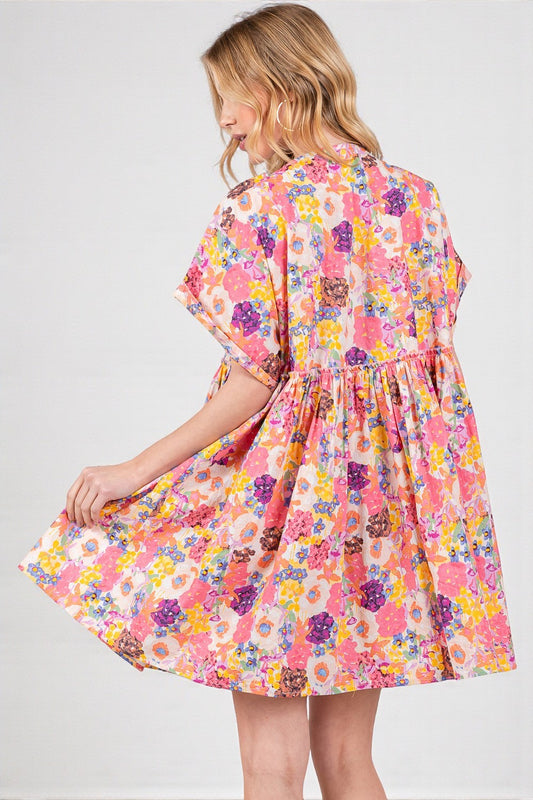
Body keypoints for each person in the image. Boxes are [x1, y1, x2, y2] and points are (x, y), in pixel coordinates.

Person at [17, 4, 517, 800]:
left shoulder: (260, 207)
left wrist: (132, 472)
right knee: (350, 762)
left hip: (290, 509)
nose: (223, 119)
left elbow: (258, 376)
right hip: (392, 504)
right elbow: (427, 364)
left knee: (270, 770)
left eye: (231, 94)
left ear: (283, 85)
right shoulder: (414, 200)